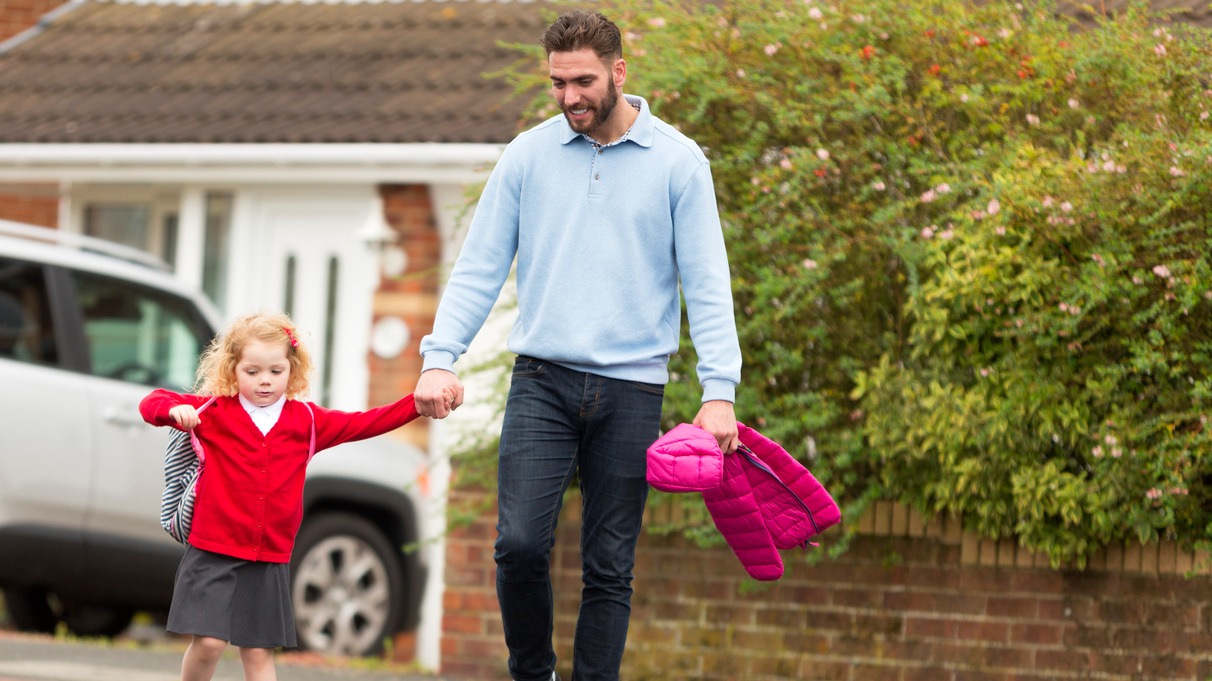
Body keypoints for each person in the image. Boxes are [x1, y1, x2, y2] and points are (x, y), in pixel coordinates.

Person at [414, 9, 742, 681]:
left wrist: (720, 392)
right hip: (543, 379)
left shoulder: (679, 162)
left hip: (632, 388)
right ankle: (532, 673)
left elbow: (707, 283)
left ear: (620, 72)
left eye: (584, 81)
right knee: (520, 545)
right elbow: (479, 265)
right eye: (559, 83)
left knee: (609, 565)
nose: (570, 97)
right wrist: (440, 356)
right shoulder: (528, 156)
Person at [139, 311, 425, 681]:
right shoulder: (213, 411)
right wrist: (172, 410)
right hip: (212, 551)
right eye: (252, 371)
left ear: (292, 370)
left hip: (268, 556)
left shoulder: (305, 421)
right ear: (232, 369)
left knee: (258, 653)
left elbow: (364, 422)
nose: (264, 381)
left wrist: (417, 404)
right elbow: (152, 402)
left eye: (276, 371)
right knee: (209, 644)